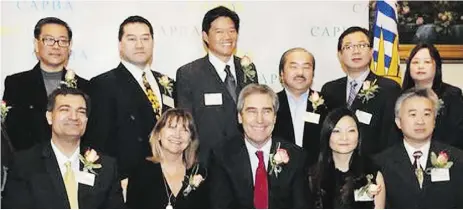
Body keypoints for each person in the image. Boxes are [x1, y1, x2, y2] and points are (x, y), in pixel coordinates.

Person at [85, 15, 175, 181]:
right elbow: (99, 141)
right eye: (132, 39)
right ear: (120, 45)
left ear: (153, 42)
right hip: (126, 181)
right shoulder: (103, 84)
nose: (139, 45)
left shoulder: (167, 83)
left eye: (145, 39)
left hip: (167, 178)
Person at [2, 87, 124, 208]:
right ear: (49, 117)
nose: (74, 117)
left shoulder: (107, 167)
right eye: (65, 110)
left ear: (86, 119)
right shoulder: (25, 164)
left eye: (81, 111)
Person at [176, 6, 258, 166]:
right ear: (205, 36)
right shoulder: (189, 73)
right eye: (219, 31)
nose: (227, 37)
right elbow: (186, 123)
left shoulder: (248, 68)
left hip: (245, 160)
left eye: (232, 31)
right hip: (207, 162)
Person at [208, 84, 312, 208]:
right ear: (240, 117)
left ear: (275, 117)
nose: (260, 120)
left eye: (266, 111)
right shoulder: (221, 156)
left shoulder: (296, 156)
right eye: (252, 111)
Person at [3, 17, 89, 151]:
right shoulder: (16, 84)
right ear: (36, 44)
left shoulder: (85, 86)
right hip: (28, 163)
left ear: (69, 46)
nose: (56, 46)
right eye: (49, 40)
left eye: (62, 41)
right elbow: (12, 131)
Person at [375, 88, 463, 208]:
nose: (420, 121)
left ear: (434, 121)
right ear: (398, 122)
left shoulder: (458, 159)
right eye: (413, 114)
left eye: (427, 114)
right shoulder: (380, 163)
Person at [321, 26, 401, 156]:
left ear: (371, 52)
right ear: (340, 55)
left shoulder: (389, 89)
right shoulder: (330, 89)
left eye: (362, 45)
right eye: (348, 47)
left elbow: (391, 136)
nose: (356, 51)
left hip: (373, 166)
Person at [126, 109, 208, 209]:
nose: (177, 135)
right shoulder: (140, 171)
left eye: (184, 130)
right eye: (172, 127)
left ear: (190, 139)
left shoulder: (200, 172)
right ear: (158, 134)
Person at [309, 107, 385, 208]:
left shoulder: (371, 174)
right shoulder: (313, 175)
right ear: (327, 134)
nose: (344, 137)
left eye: (351, 131)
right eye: (336, 131)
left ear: (359, 135)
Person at [399, 43, 463, 150]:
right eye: (415, 62)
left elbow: (456, 133)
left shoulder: (452, 95)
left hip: (443, 156)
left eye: (427, 62)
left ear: (436, 66)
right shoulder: (401, 96)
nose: (420, 66)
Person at [273, 47, 328, 167]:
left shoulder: (328, 104)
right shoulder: (270, 104)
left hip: (318, 176)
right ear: (282, 73)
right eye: (294, 67)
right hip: (280, 177)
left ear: (313, 73)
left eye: (306, 67)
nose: (300, 73)